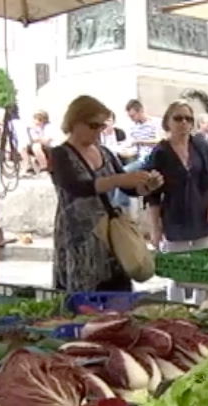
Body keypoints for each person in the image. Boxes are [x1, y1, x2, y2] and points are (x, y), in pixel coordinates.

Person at [49, 95, 161, 292]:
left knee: (117, 294)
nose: (98, 132)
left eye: (101, 126)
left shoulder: (105, 153)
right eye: (93, 125)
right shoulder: (60, 154)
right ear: (75, 121)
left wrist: (146, 185)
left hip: (109, 238)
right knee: (83, 299)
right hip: (79, 239)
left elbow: (128, 188)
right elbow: (77, 187)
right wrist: (119, 180)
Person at [145, 100, 208, 303]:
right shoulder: (160, 153)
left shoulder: (201, 146)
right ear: (168, 122)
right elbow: (152, 195)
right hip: (176, 218)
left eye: (188, 118)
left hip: (205, 215)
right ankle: (177, 311)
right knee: (177, 272)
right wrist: (155, 228)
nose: (184, 123)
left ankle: (201, 309)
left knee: (203, 269)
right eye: (178, 118)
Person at [125, 99, 161, 172]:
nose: (131, 119)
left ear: (141, 111)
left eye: (133, 116)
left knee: (124, 171)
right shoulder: (133, 127)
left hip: (152, 156)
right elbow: (132, 145)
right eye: (130, 117)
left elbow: (160, 141)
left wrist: (139, 141)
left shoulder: (156, 122)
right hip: (139, 157)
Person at [25, 111, 54, 175]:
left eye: (39, 119)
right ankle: (29, 168)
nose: (37, 121)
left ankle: (44, 168)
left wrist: (38, 140)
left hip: (49, 148)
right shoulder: (33, 128)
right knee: (23, 147)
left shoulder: (49, 127)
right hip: (38, 145)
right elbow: (32, 139)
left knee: (36, 146)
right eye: (35, 119)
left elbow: (47, 140)